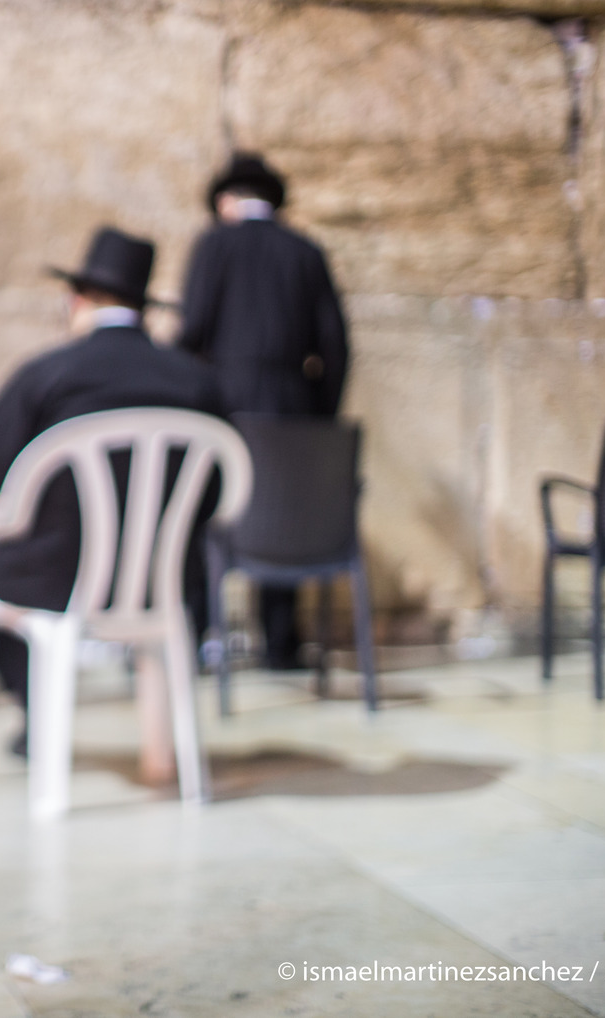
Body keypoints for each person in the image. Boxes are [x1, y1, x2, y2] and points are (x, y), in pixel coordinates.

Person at [0, 227, 225, 755]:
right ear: (143, 310)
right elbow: (216, 495)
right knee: (191, 563)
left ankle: (36, 713)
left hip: (54, 580)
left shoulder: (46, 374)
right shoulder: (196, 381)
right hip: (165, 581)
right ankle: (164, 747)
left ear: (76, 300)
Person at [175, 152, 349, 670]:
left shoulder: (213, 245)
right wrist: (320, 416)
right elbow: (335, 347)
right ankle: (279, 643)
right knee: (282, 516)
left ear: (226, 202)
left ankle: (195, 636)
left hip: (221, 407)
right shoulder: (305, 251)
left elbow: (193, 330)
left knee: (203, 514)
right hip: (293, 408)